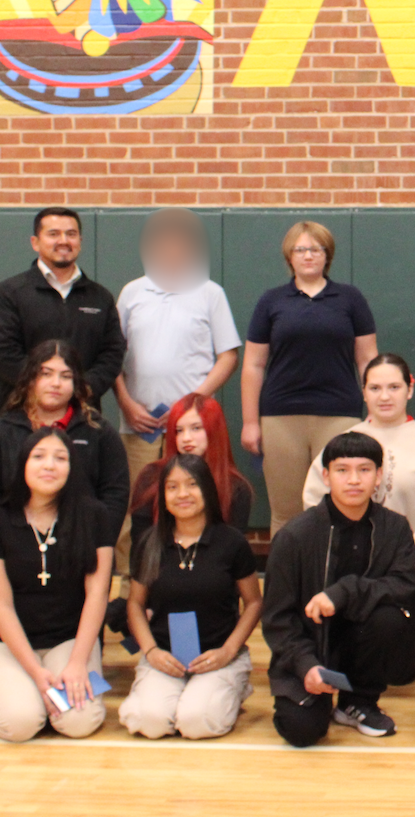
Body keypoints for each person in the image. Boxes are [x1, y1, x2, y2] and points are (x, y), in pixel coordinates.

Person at [262, 432, 415, 747]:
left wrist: (343, 592)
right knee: (301, 731)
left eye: (364, 470)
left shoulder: (395, 528)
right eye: (342, 470)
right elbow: (277, 620)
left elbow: (403, 585)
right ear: (326, 476)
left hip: (363, 643)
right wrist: (306, 666)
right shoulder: (294, 536)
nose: (354, 480)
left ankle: (358, 701)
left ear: (379, 475)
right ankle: (318, 696)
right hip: (309, 647)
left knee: (390, 617)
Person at [304, 354, 415, 663]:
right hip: (346, 576)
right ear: (363, 392)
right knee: (341, 657)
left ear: (410, 389)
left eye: (394, 387)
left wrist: (410, 557)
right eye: (375, 388)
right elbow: (315, 506)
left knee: (397, 664)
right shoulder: (343, 443)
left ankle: (413, 639)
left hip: (408, 577)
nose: (385, 396)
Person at [112, 208, 241, 568]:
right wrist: (125, 402)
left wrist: (192, 403)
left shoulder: (210, 293)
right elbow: (111, 356)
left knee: (195, 502)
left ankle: (195, 577)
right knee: (137, 509)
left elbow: (228, 356)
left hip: (191, 426)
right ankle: (133, 585)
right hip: (140, 426)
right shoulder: (132, 293)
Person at [0, 427, 116, 742]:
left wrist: (77, 663)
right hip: (9, 644)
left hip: (69, 641)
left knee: (79, 722)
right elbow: (0, 605)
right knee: (19, 724)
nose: (49, 465)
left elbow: (97, 595)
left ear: (72, 467)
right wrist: (36, 673)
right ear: (23, 464)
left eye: (60, 458)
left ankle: (50, 700)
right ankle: (32, 699)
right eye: (39, 456)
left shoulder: (94, 515)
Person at [241, 220, 379, 535]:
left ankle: (337, 569)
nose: (308, 255)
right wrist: (250, 422)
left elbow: (367, 359)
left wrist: (374, 413)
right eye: (300, 249)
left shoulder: (350, 299)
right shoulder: (271, 301)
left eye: (316, 249)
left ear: (327, 255)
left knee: (340, 506)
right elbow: (253, 365)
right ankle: (285, 570)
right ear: (289, 256)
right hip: (281, 418)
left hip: (340, 415)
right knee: (286, 512)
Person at [119, 455, 263, 740]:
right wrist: (151, 651)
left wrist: (228, 651)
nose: (182, 494)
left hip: (217, 656)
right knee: (149, 722)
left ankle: (229, 689)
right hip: (165, 656)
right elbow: (135, 603)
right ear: (163, 496)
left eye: (192, 484)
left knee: (196, 722)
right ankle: (180, 696)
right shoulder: (150, 543)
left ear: (207, 489)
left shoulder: (232, 542)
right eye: (172, 487)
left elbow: (254, 603)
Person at [0, 340, 129, 528]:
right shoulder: (1, 432)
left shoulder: (99, 431)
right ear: (30, 378)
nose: (56, 383)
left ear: (76, 383)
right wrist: (5, 538)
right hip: (15, 540)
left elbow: (115, 494)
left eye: (66, 376)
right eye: (46, 374)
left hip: (84, 541)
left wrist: (94, 538)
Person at [0, 206, 126, 411]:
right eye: (53, 234)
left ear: (80, 242)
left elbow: (112, 353)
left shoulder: (100, 297)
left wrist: (80, 389)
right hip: (23, 416)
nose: (63, 241)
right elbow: (3, 353)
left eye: (71, 234)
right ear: (35, 242)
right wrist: (48, 389)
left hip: (83, 415)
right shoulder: (10, 293)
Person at [128, 394, 254, 547]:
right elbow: (140, 544)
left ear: (214, 430)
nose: (186, 438)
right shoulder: (152, 476)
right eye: (179, 430)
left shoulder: (236, 487)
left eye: (196, 428)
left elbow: (233, 549)